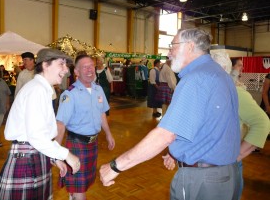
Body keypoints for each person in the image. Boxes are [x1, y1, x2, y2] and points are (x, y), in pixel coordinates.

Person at [100, 28, 241, 200]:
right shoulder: (218, 74)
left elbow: (164, 135)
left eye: (173, 46)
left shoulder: (195, 79)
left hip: (202, 181)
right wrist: (176, 152)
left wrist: (115, 166)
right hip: (225, 175)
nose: (169, 52)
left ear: (189, 46)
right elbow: (207, 126)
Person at [0, 48, 80, 199]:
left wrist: (55, 157)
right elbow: (37, 136)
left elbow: (38, 133)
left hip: (33, 154)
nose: (66, 70)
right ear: (45, 65)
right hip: (27, 158)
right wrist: (66, 155)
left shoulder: (42, 89)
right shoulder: (36, 90)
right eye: (61, 64)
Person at [211, 50, 270, 200]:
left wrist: (238, 155)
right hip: (209, 164)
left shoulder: (235, 93)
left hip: (226, 164)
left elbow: (262, 123)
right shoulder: (210, 92)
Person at [56, 54, 115, 200]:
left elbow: (102, 113)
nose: (90, 70)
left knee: (84, 184)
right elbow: (61, 124)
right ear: (76, 72)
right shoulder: (69, 94)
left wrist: (108, 134)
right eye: (85, 67)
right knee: (80, 189)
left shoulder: (98, 90)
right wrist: (56, 151)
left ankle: (73, 195)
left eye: (92, 66)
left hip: (93, 144)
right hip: (77, 145)